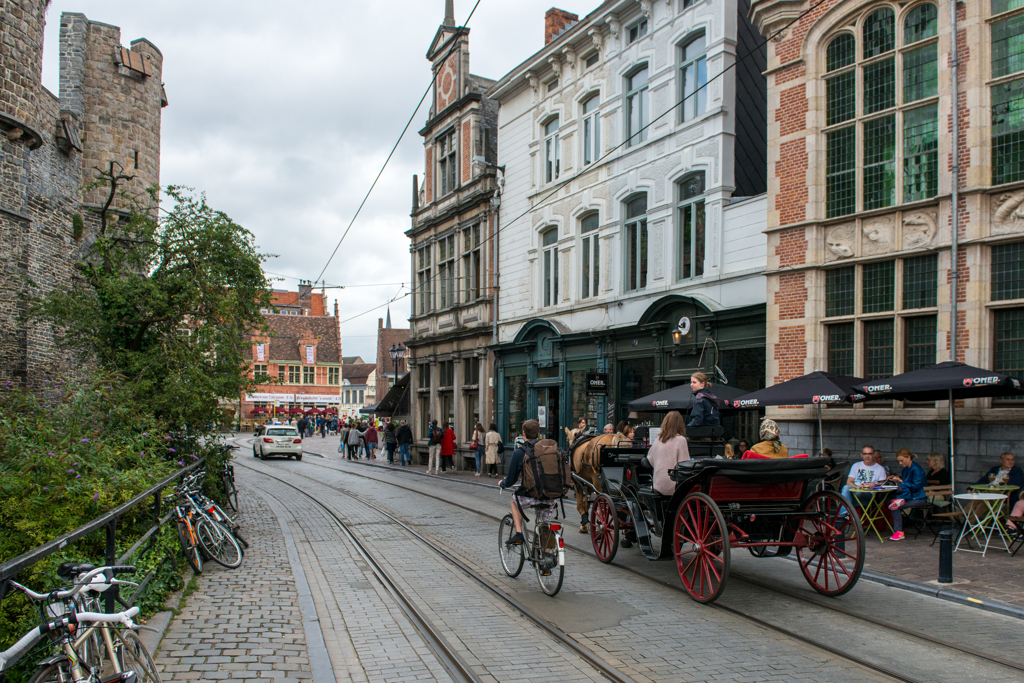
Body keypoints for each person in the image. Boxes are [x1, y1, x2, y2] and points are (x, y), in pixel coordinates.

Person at [499, 420, 554, 545]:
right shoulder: (548, 450)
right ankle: (546, 552)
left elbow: (511, 479)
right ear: (538, 433)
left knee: (514, 501)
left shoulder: (519, 452)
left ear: (523, 433)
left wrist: (502, 483)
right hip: (550, 496)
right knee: (543, 524)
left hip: (531, 495)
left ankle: (519, 534)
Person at [886, 448, 928, 541]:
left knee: (895, 506)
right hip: (910, 496)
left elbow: (916, 487)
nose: (900, 463)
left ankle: (899, 531)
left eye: (902, 460)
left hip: (919, 498)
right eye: (899, 461)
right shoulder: (905, 470)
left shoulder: (916, 469)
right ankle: (899, 500)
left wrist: (900, 481)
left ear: (909, 457)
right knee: (888, 500)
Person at [646, 411, 691, 495]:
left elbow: (650, 458)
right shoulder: (681, 440)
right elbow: (684, 465)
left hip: (658, 485)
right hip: (674, 486)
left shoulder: (658, 438)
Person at [840, 446, 886, 512]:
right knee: (846, 487)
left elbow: (883, 486)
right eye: (865, 454)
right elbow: (849, 482)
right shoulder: (856, 465)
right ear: (861, 454)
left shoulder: (880, 468)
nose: (867, 456)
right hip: (855, 491)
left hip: (868, 495)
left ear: (873, 455)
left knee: (855, 495)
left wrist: (874, 485)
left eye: (870, 454)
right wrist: (858, 487)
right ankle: (844, 513)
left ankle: (846, 512)